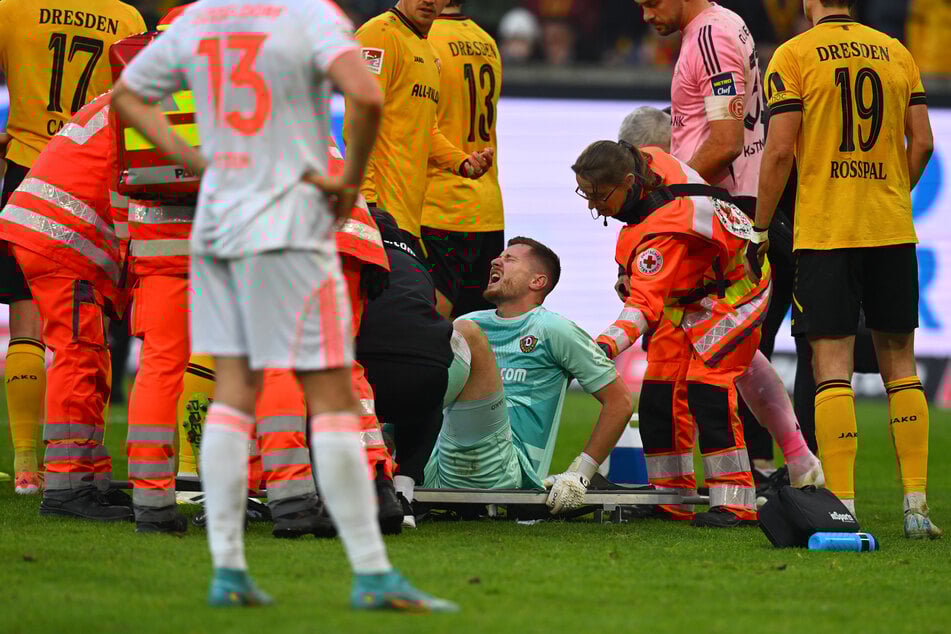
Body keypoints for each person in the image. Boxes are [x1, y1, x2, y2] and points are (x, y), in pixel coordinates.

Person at [112, 0, 456, 610]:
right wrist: (350, 179)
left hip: (219, 217)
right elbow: (368, 98)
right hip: (291, 212)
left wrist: (196, 160)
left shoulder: (198, 20)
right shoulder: (308, 14)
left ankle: (228, 570)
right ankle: (372, 573)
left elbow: (129, 96)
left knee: (232, 387)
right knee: (326, 389)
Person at [752, 0, 941, 539]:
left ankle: (845, 508)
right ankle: (916, 506)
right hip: (890, 229)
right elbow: (922, 141)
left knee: (831, 367)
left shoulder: (793, 54)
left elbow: (781, 151)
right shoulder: (896, 51)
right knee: (900, 365)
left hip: (827, 234)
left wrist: (761, 229)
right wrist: (887, 195)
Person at [574, 140, 792, 527]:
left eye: (598, 196)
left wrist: (599, 347)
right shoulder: (644, 161)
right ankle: (670, 496)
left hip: (736, 293)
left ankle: (736, 501)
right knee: (658, 392)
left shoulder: (666, 231)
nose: (593, 206)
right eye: (586, 195)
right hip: (691, 294)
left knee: (707, 386)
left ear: (628, 181)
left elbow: (642, 308)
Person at [616, 105, 822, 508]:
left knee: (718, 367)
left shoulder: (678, 178)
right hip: (751, 234)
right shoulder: (700, 136)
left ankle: (749, 477)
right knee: (737, 361)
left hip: (739, 251)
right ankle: (792, 459)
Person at [635, 0, 794, 476]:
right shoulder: (723, 27)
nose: (646, 15)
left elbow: (724, 143)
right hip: (729, 209)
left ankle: (720, 483)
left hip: (720, 214)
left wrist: (662, 199)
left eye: (651, 2)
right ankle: (796, 461)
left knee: (705, 355)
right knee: (737, 351)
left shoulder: (710, 37)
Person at [0, 0, 145, 495]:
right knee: (87, 327)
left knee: (27, 323)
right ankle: (83, 465)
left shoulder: (14, 10)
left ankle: (26, 466)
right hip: (89, 169)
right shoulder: (125, 17)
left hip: (28, 171)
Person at [424, 237, 635, 516]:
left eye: (510, 259)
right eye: (499, 256)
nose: (495, 261)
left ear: (538, 282)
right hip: (437, 465)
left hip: (503, 468)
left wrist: (581, 473)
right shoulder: (474, 318)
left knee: (463, 332)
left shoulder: (552, 328)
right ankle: (390, 457)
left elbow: (620, 401)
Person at [347, 0, 495, 258]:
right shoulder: (378, 35)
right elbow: (359, 122)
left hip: (407, 219)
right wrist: (368, 202)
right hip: (379, 213)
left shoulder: (430, 52)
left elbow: (428, 130)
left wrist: (462, 162)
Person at [357, 208, 453, 529]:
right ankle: (406, 491)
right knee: (430, 391)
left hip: (366, 373)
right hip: (424, 375)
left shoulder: (350, 252)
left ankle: (318, 491)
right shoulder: (418, 266)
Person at [421, 0, 505, 319]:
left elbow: (416, 126)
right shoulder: (487, 41)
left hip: (439, 207)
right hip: (487, 208)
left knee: (428, 334)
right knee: (475, 337)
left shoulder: (422, 40)